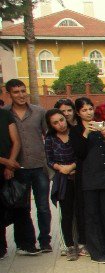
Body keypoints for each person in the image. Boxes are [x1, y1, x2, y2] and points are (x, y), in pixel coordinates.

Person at [6, 79, 52, 252]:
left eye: (23, 91)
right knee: (22, 209)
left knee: (43, 207)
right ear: (9, 93)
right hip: (18, 168)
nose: (21, 95)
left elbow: (49, 135)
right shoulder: (5, 113)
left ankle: (45, 241)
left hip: (39, 167)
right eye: (16, 92)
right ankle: (26, 243)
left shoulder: (39, 112)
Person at [72, 96, 105, 264]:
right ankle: (97, 251)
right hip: (89, 179)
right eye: (84, 110)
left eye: (90, 109)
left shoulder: (101, 126)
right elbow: (79, 152)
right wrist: (86, 133)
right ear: (78, 112)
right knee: (92, 216)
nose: (88, 112)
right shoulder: (76, 131)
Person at [43, 108, 84, 259]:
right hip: (63, 179)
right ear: (51, 125)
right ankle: (69, 245)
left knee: (81, 211)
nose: (60, 124)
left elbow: (82, 153)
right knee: (66, 214)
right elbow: (49, 160)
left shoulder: (76, 132)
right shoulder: (50, 139)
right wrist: (61, 168)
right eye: (55, 123)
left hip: (79, 176)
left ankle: (82, 243)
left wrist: (72, 167)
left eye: (61, 120)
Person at [0, 96, 34, 259]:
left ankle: (25, 244)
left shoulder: (5, 115)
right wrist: (6, 162)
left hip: (11, 169)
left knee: (21, 207)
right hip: (8, 164)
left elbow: (16, 141)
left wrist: (9, 164)